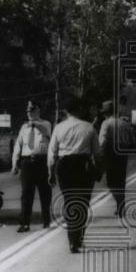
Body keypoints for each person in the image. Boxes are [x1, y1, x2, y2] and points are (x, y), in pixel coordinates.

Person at [48, 98, 101, 253]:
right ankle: (79, 238)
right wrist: (99, 169)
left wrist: (51, 172)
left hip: (65, 166)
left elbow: (52, 153)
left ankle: (72, 240)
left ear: (67, 111)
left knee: (69, 201)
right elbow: (97, 153)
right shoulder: (89, 128)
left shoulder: (59, 128)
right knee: (83, 202)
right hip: (83, 166)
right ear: (79, 110)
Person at [11, 100, 52, 233]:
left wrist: (34, 124)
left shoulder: (46, 123)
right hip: (27, 161)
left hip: (42, 161)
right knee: (26, 194)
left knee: (45, 193)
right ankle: (25, 223)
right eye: (28, 111)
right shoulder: (24, 127)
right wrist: (15, 163)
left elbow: (47, 133)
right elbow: (18, 145)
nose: (29, 113)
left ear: (38, 111)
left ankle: (46, 221)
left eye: (32, 111)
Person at [98, 98, 136, 219]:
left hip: (111, 154)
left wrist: (98, 156)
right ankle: (120, 205)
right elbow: (133, 141)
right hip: (123, 154)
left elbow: (102, 142)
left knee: (111, 181)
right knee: (121, 181)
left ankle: (120, 203)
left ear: (105, 113)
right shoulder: (125, 123)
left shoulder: (106, 124)